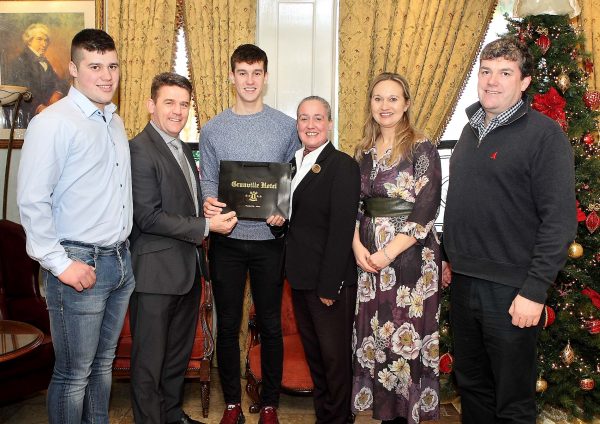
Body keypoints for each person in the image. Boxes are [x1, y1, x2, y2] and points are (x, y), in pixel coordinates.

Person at [442, 37, 576, 424]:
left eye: (505, 73)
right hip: (465, 284)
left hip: (512, 290)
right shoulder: (470, 131)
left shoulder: (545, 136)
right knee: (472, 388)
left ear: (525, 82)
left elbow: (559, 221)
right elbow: (465, 202)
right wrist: (449, 257)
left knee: (513, 401)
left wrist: (534, 291)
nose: (492, 81)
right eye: (486, 71)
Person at [17, 28, 134, 424]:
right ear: (72, 69)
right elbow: (32, 200)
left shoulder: (114, 121)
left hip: (119, 262)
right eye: (95, 66)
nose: (106, 75)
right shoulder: (53, 122)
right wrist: (61, 264)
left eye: (112, 66)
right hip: (79, 264)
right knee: (73, 375)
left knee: (102, 366)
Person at [128, 72, 237, 424]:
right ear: (151, 105)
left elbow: (180, 203)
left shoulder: (182, 148)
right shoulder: (139, 149)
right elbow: (148, 217)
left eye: (184, 104)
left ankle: (171, 414)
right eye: (169, 102)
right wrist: (206, 227)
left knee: (175, 357)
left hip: (187, 272)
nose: (178, 111)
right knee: (149, 363)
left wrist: (204, 209)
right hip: (155, 276)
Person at [199, 43, 299, 424]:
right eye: (242, 73)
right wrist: (210, 203)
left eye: (257, 73)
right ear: (232, 76)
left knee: (270, 325)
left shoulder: (286, 127)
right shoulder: (213, 129)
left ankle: (269, 405)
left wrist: (283, 210)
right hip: (227, 240)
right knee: (228, 325)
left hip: (269, 244)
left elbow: (292, 176)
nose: (250, 80)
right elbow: (209, 179)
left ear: (266, 77)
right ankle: (231, 405)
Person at [351, 72, 442, 424]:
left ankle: (407, 415)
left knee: (406, 339)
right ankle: (387, 415)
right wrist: (356, 246)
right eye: (378, 98)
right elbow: (354, 205)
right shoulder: (362, 151)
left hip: (411, 261)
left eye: (392, 98)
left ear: (406, 104)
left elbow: (426, 209)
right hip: (369, 262)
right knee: (378, 338)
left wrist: (388, 253)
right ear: (370, 104)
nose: (384, 105)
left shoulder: (422, 147)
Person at [280, 96, 360, 423]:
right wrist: (276, 222)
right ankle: (324, 417)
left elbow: (342, 229)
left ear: (329, 123)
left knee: (334, 361)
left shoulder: (342, 166)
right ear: (297, 124)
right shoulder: (291, 166)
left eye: (317, 118)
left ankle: (339, 419)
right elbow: (290, 221)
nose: (310, 125)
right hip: (299, 278)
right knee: (315, 359)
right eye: (304, 118)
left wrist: (330, 285)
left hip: (328, 283)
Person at [9, 23, 67, 127]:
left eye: (46, 40)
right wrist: (39, 107)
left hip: (48, 113)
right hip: (28, 117)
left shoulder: (44, 61)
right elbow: (23, 92)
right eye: (39, 39)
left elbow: (58, 82)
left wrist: (57, 92)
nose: (44, 44)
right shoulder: (20, 61)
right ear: (29, 41)